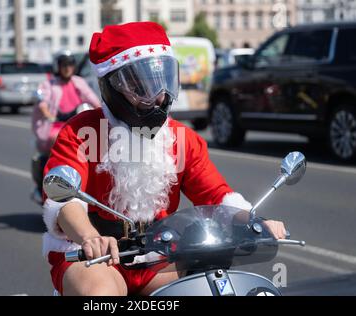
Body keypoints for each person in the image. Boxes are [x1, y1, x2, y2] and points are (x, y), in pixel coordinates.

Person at [42, 22, 287, 296]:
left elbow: (217, 195)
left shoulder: (183, 138)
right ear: (112, 84)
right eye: (141, 85)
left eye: (162, 82)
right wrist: (89, 237)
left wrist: (254, 221)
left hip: (157, 256)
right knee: (101, 296)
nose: (159, 97)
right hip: (92, 257)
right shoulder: (80, 132)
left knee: (213, 288)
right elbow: (64, 202)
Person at [32, 50, 101, 154]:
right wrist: (47, 114)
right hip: (56, 124)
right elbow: (43, 102)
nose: (67, 68)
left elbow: (91, 97)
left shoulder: (79, 82)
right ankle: (53, 165)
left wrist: (100, 110)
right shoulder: (49, 84)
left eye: (70, 65)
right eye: (64, 65)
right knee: (55, 138)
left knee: (95, 139)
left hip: (78, 123)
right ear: (58, 67)